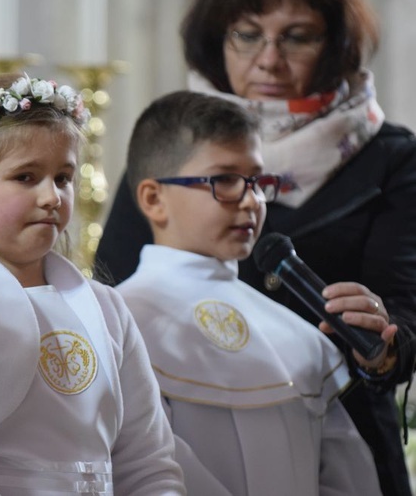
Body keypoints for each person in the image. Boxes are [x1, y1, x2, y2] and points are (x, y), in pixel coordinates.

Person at [95, 0, 416, 493]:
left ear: (334, 45)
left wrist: (385, 349)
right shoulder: (173, 145)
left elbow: (403, 308)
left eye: (297, 36)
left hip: (344, 411)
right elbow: (112, 280)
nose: (268, 59)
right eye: (247, 34)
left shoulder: (390, 159)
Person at [0, 73, 186, 494]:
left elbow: (148, 462)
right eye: (25, 177)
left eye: (63, 178)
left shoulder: (107, 308)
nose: (52, 197)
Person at [117, 90, 381, 495]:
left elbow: (346, 474)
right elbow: (144, 471)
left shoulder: (297, 334)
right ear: (154, 199)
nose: (252, 201)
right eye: (224, 180)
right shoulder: (118, 324)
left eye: (258, 181)